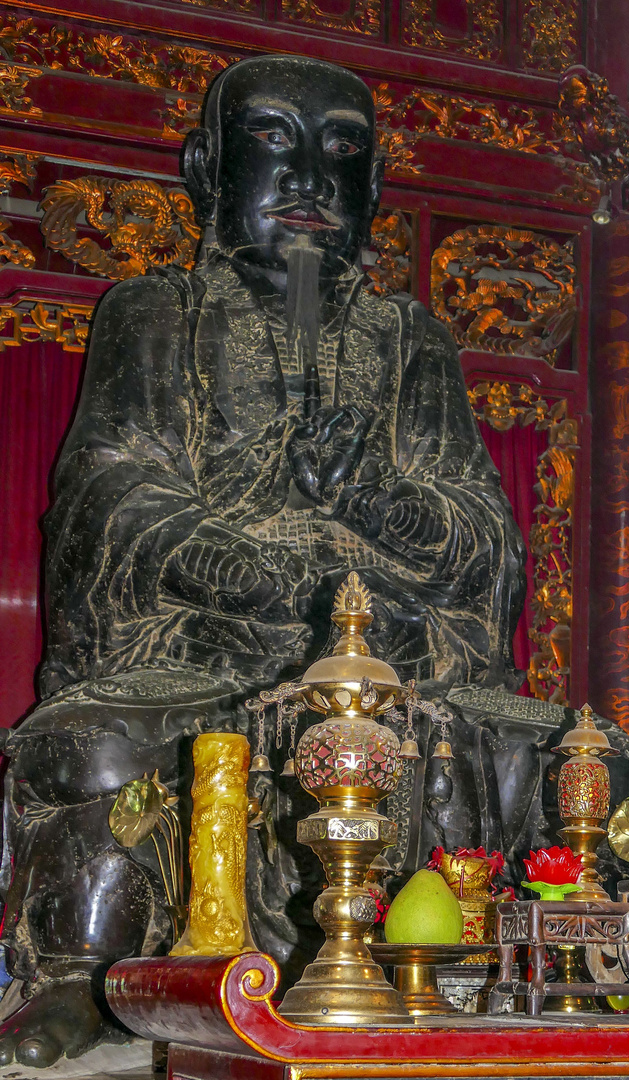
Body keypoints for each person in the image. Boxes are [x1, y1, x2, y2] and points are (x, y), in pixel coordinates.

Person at [0, 55, 531, 1067]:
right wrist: (248, 570)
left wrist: (371, 502)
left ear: (373, 190)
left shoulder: (410, 338)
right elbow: (114, 491)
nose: (307, 181)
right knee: (98, 745)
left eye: (341, 154)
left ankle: (456, 965)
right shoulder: (155, 313)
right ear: (207, 169)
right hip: (206, 644)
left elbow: (486, 530)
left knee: (557, 755)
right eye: (273, 142)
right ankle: (87, 979)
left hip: (388, 655)